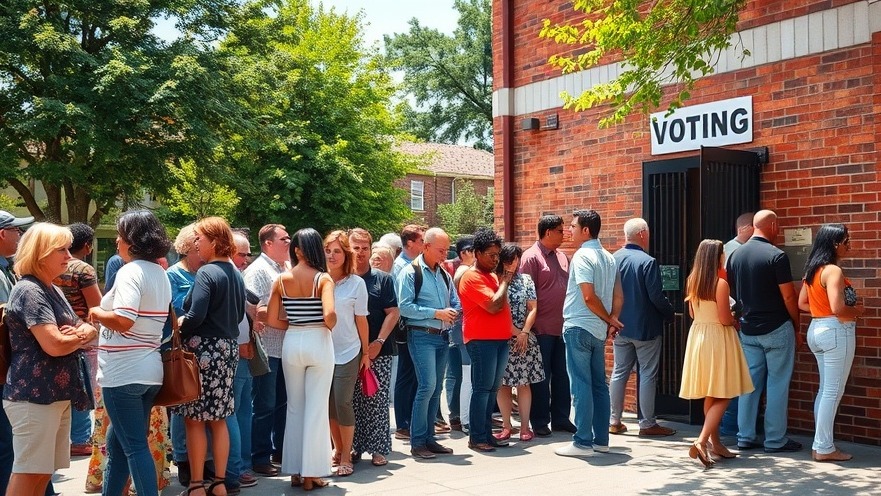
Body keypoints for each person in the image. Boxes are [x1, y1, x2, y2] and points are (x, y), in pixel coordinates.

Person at [3, 222, 98, 496]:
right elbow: (55, 345)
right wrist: (80, 335)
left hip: (51, 396)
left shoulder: (51, 288)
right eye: (62, 250)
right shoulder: (30, 290)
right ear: (41, 253)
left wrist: (81, 332)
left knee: (42, 473)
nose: (69, 255)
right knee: (28, 473)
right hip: (34, 397)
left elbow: (88, 327)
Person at [88, 210, 172, 495]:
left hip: (124, 373)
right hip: (147, 371)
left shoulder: (130, 272)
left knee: (134, 448)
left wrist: (97, 312)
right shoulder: (158, 272)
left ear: (134, 240)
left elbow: (124, 319)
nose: (116, 241)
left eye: (120, 235)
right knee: (119, 446)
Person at [177, 217, 244, 496]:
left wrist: (180, 326)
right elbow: (239, 316)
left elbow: (196, 314)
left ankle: (196, 485)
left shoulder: (207, 272)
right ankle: (219, 483)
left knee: (194, 420)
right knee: (219, 420)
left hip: (204, 351)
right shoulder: (235, 273)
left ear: (214, 242)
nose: (195, 244)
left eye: (199, 238)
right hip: (228, 349)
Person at [265, 228, 336, 491]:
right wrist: (328, 324)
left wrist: (296, 325)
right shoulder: (323, 279)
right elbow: (330, 315)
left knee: (294, 407)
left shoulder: (281, 279)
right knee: (317, 409)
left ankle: (295, 470)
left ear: (296, 250)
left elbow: (271, 319)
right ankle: (311, 474)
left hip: (293, 341)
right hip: (318, 340)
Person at [726, 210, 802, 453]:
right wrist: (796, 325)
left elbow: (733, 294)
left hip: (748, 329)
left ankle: (745, 436)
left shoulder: (735, 255)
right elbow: (788, 296)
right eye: (777, 226)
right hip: (777, 327)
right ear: (772, 225)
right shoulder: (777, 256)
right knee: (777, 384)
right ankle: (775, 440)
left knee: (749, 385)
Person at [679, 240, 754, 468]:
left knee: (711, 393)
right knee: (724, 392)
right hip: (718, 338)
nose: (724, 256)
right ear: (717, 256)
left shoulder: (692, 281)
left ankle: (716, 444)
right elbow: (724, 319)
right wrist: (735, 318)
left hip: (699, 336)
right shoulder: (720, 283)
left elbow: (693, 314)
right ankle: (702, 441)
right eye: (722, 253)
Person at [555, 210, 623, 458]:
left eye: (573, 226)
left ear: (585, 230)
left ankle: (583, 442)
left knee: (581, 385)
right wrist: (611, 319)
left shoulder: (583, 255)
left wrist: (610, 319)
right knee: (598, 385)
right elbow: (618, 296)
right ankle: (601, 440)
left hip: (580, 326)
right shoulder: (609, 257)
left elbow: (588, 296)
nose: (569, 230)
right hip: (597, 330)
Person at [798, 224, 864, 462]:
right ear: (835, 244)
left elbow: (802, 304)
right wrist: (858, 312)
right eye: (846, 241)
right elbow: (838, 308)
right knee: (833, 392)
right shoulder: (833, 271)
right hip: (836, 331)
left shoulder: (813, 269)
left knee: (826, 390)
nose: (849, 245)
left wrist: (822, 311)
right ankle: (824, 448)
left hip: (817, 329)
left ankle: (821, 445)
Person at [609, 218, 676, 437]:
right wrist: (669, 313)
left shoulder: (613, 259)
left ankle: (614, 420)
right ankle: (647, 424)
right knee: (647, 374)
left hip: (620, 325)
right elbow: (656, 296)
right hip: (646, 327)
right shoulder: (647, 261)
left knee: (619, 372)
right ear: (642, 234)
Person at [397, 227, 459, 459]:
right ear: (426, 247)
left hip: (442, 336)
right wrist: (437, 313)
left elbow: (455, 300)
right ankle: (418, 441)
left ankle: (429, 439)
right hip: (421, 335)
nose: (445, 255)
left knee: (435, 389)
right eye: (441, 250)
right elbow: (404, 307)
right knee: (427, 386)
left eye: (446, 250)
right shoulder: (410, 272)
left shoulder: (444, 274)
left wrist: (455, 311)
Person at [519, 215, 575, 437]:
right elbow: (524, 294)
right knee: (541, 377)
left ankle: (561, 419)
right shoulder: (531, 257)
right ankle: (540, 421)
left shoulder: (562, 257)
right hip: (540, 328)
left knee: (562, 375)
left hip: (563, 327)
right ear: (548, 232)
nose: (564, 234)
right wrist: (526, 328)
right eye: (560, 231)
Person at [458, 228, 514, 452]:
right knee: (482, 389)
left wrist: (501, 281)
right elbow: (493, 305)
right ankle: (477, 437)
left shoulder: (491, 276)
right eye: (491, 255)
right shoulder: (471, 277)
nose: (495, 259)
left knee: (492, 389)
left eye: (497, 255)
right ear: (477, 253)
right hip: (481, 340)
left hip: (499, 339)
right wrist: (505, 282)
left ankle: (486, 434)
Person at [243, 224, 291, 477]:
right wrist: (286, 314)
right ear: (268, 244)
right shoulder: (258, 270)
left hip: (286, 348)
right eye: (284, 239)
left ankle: (280, 450)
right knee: (264, 404)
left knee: (283, 402)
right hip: (266, 348)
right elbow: (252, 308)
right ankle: (259, 457)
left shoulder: (286, 268)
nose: (289, 242)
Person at [349, 229, 399, 467]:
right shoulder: (340, 279)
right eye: (355, 248)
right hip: (349, 350)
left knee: (376, 400)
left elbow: (393, 312)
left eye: (365, 248)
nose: (360, 252)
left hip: (379, 349)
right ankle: (351, 447)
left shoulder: (383, 279)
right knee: (349, 401)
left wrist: (378, 341)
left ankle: (378, 449)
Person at [323, 230, 370, 476]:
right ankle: (338, 448)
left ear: (346, 254)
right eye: (327, 251)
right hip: (322, 349)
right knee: (329, 404)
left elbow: (361, 320)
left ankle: (346, 455)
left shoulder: (356, 283)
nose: (331, 256)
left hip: (348, 350)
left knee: (343, 401)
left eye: (337, 251)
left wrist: (366, 353)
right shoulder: (319, 279)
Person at [53, 223, 102, 457]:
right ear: (87, 246)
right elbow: (96, 306)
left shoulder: (49, 266)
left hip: (53, 331)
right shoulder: (83, 270)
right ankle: (81, 438)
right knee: (83, 386)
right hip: (82, 334)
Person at [166, 223, 208, 485]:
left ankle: (203, 460)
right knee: (182, 405)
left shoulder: (207, 272)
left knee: (203, 409)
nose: (202, 254)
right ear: (186, 249)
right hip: (183, 350)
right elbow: (172, 312)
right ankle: (182, 459)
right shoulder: (172, 275)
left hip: (207, 350)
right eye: (197, 249)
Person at [494, 243, 544, 442]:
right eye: (509, 259)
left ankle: (525, 427)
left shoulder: (526, 279)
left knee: (524, 383)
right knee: (503, 384)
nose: (513, 263)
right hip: (501, 338)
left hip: (524, 338)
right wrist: (515, 332)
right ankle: (506, 426)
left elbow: (533, 308)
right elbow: (497, 309)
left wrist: (524, 332)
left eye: (516, 259)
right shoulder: (495, 279)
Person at [228, 232, 259, 489]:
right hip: (237, 352)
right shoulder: (230, 274)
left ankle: (240, 467)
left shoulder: (234, 275)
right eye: (242, 254)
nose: (246, 259)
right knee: (238, 413)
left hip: (243, 352)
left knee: (241, 413)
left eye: (248, 253)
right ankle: (239, 467)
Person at [720, 211, 754, 436]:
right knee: (739, 374)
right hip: (735, 321)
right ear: (746, 228)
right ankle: (731, 424)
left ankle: (730, 424)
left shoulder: (727, 251)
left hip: (729, 321)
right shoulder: (733, 251)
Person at [391, 224, 426, 440]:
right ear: (410, 243)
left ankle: (412, 421)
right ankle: (403, 424)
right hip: (404, 327)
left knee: (413, 375)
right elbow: (400, 302)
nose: (425, 244)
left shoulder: (416, 264)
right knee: (406, 374)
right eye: (422, 240)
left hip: (415, 325)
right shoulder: (400, 266)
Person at [444, 236, 475, 432]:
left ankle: (460, 416)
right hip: (463, 329)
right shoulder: (465, 272)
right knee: (467, 376)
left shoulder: (460, 271)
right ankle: (464, 419)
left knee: (459, 374)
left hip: (458, 328)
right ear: (465, 253)